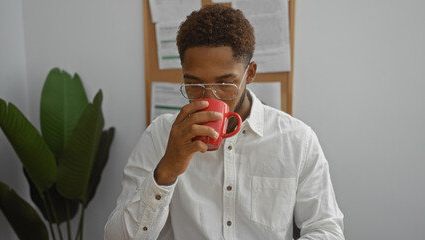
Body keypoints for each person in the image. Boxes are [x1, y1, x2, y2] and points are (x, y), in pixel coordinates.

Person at [105, 4, 344, 240]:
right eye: (194, 85)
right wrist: (166, 171)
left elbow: (327, 230)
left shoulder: (297, 139)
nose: (209, 98)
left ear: (250, 73)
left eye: (225, 83)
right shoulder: (160, 135)